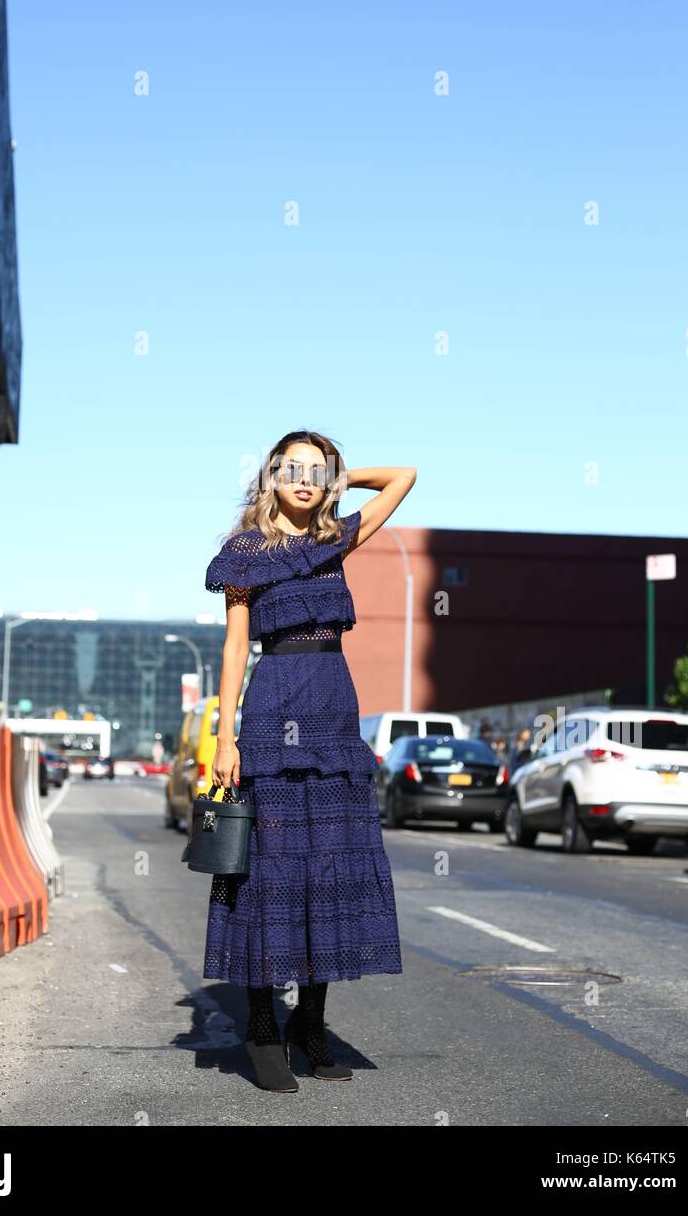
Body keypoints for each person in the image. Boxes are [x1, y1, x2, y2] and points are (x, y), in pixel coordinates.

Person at [202, 429, 415, 1093]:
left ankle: (311, 1025)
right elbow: (236, 648)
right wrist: (225, 736)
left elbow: (404, 476)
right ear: (269, 478)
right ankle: (263, 1025)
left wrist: (340, 480)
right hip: (271, 704)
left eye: (313, 469)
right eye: (290, 468)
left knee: (329, 869)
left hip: (333, 705)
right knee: (269, 874)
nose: (303, 477)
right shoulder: (245, 554)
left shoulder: (337, 537)